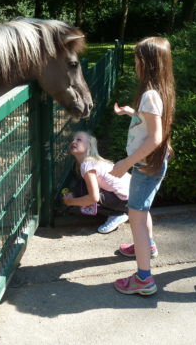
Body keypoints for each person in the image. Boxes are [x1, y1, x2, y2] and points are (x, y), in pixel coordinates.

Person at [110, 37, 176, 296]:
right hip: (153, 165)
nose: (135, 64)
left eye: (137, 59)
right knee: (141, 210)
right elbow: (152, 123)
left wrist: (125, 163)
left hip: (145, 167)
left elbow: (155, 137)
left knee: (135, 217)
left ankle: (143, 279)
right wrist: (132, 112)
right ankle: (147, 246)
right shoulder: (160, 91)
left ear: (146, 63)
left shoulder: (149, 95)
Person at [63, 131, 131, 234]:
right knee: (82, 186)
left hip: (128, 203)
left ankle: (117, 214)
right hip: (133, 198)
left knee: (82, 192)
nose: (73, 142)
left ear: (89, 146)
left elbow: (94, 198)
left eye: (79, 140)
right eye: (72, 140)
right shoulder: (93, 162)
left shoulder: (87, 165)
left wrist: (71, 202)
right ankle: (118, 212)